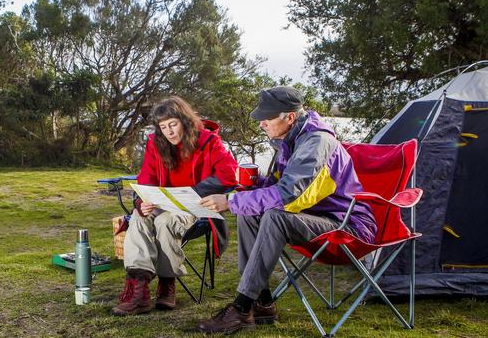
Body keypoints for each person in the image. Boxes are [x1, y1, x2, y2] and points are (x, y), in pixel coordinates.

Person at [196, 86, 377, 334]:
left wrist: (230, 202)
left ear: (289, 117)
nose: (262, 124)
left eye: (267, 118)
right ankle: (262, 302)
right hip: (315, 218)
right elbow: (280, 186)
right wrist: (253, 185)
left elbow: (289, 196)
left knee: (274, 216)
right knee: (250, 213)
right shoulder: (290, 139)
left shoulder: (316, 142)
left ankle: (240, 307)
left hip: (348, 227)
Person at [112, 96, 237, 316]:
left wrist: (194, 192)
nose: (169, 132)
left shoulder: (209, 141)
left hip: (196, 206)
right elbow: (146, 178)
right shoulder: (155, 144)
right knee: (139, 217)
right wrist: (143, 202)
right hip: (163, 202)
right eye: (163, 127)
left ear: (184, 121)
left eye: (173, 124)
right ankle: (138, 290)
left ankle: (167, 283)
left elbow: (228, 175)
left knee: (165, 220)